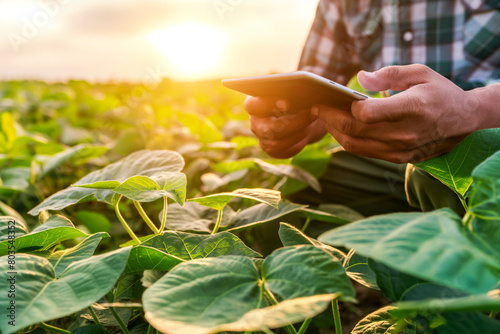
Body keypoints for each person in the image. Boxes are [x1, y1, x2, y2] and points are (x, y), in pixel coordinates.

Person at [244, 0, 500, 217]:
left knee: (432, 176)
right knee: (299, 190)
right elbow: (313, 85)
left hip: (487, 148)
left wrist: (475, 108)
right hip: (390, 159)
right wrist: (294, 118)